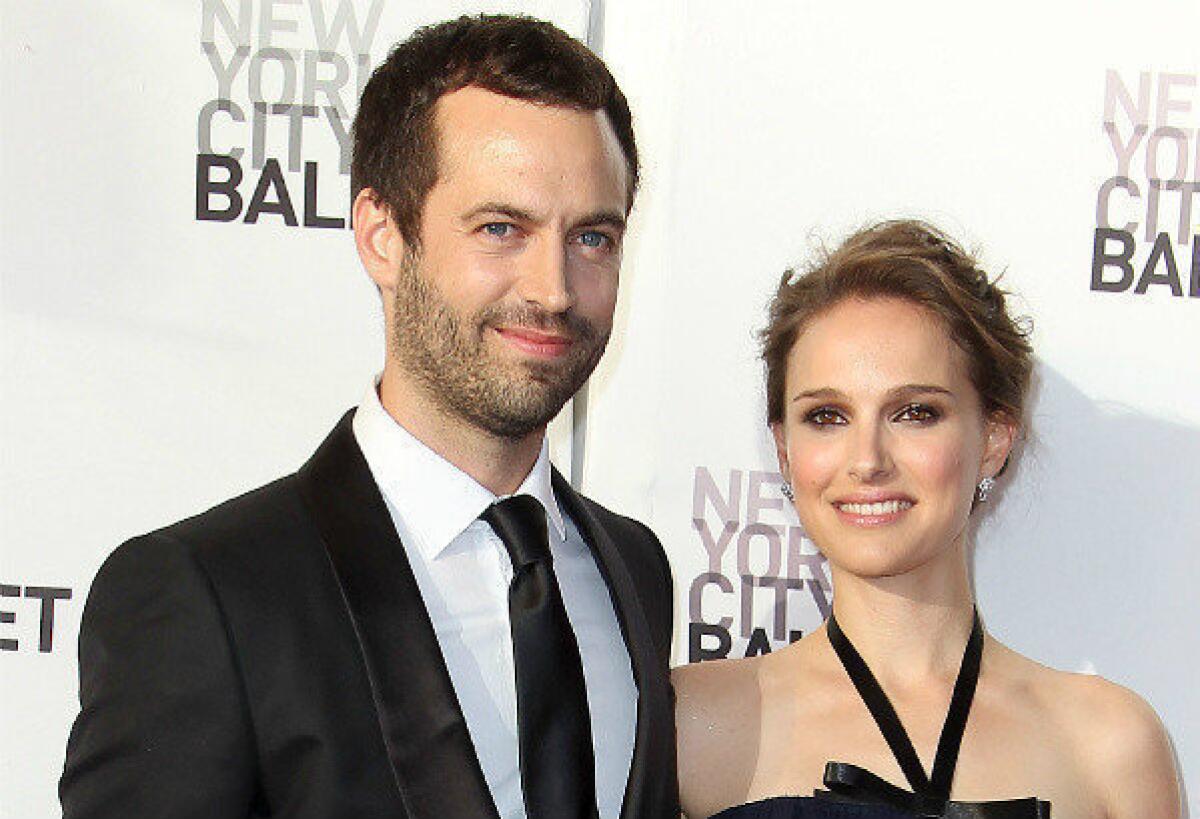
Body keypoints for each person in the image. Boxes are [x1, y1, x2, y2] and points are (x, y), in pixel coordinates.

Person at [60, 15, 676, 819]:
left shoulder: (635, 568)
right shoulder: (210, 593)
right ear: (382, 235)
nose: (553, 289)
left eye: (592, 237)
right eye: (501, 228)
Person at [674, 221, 1181, 819]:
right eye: (828, 416)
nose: (867, 460)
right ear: (785, 449)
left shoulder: (1111, 746)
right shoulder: (690, 726)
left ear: (993, 438)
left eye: (915, 412)